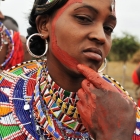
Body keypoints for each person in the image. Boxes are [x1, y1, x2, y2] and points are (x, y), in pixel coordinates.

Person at [0, 0, 139, 139]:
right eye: (84, 18)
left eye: (108, 28)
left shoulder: (126, 117)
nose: (101, 36)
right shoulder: (5, 96)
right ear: (44, 25)